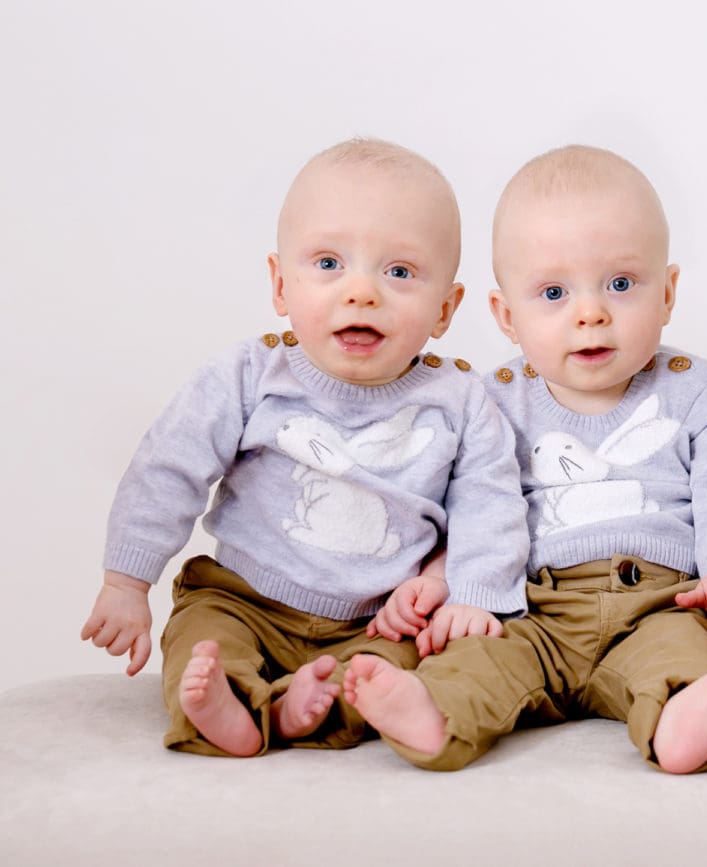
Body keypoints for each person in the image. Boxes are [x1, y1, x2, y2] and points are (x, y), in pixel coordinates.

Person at [343, 144, 707, 774]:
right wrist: (449, 580)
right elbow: (469, 502)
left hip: (660, 605)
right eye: (553, 292)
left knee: (683, 662)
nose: (590, 312)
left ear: (667, 293)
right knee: (476, 657)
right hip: (532, 606)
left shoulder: (698, 390)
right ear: (507, 316)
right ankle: (433, 714)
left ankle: (686, 720)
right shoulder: (492, 399)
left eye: (620, 284)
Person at [80, 138, 529, 757]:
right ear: (280, 283)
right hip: (244, 597)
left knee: (390, 675)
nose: (362, 292)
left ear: (446, 308)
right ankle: (230, 704)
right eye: (327, 264)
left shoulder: (461, 401)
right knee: (203, 642)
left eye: (399, 272)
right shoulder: (250, 376)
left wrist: (469, 592)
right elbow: (168, 468)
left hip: (374, 620)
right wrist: (126, 582)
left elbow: (493, 503)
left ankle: (297, 714)